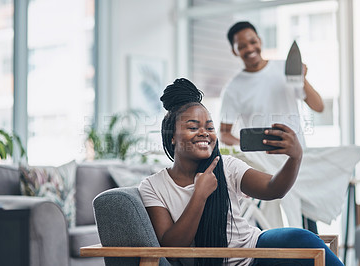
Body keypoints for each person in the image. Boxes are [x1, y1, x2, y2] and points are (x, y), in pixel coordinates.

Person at [138, 78, 343, 266]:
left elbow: (273, 189)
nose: (204, 133)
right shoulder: (153, 186)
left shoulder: (228, 166)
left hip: (255, 251)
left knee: (303, 239)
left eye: (209, 128)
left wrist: (295, 158)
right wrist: (199, 195)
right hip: (217, 262)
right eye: (193, 127)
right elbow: (172, 250)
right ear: (171, 136)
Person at [219, 21, 324, 232]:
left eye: (252, 42)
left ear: (260, 40)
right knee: (270, 226)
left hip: (295, 158)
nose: (249, 49)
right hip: (263, 166)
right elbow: (223, 133)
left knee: (306, 225)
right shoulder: (233, 87)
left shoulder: (284, 69)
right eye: (242, 46)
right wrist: (247, 143)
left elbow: (318, 106)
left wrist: (302, 79)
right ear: (234, 50)